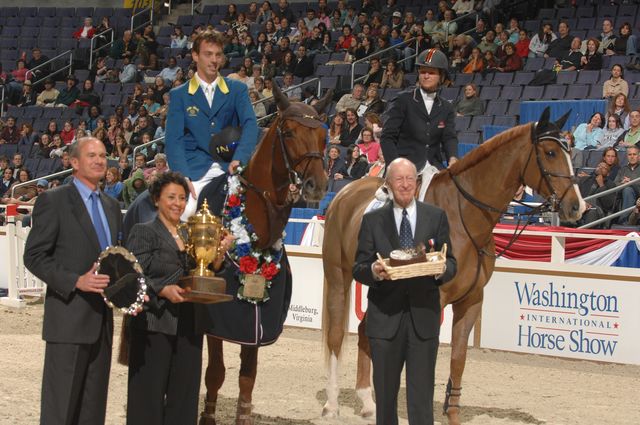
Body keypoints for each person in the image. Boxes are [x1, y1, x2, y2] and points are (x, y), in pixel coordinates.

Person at [23, 138, 122, 425]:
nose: (100, 160)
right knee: (60, 410)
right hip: (67, 320)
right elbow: (35, 256)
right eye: (91, 155)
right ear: (74, 162)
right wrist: (75, 281)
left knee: (92, 411)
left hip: (102, 322)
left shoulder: (112, 207)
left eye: (103, 155)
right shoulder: (53, 200)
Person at [353, 158, 456, 425]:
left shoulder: (436, 217)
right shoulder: (372, 220)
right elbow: (359, 266)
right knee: (385, 398)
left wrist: (440, 270)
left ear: (418, 183)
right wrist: (374, 271)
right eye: (399, 179)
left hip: (423, 320)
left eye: (411, 179)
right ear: (388, 184)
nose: (406, 184)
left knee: (422, 398)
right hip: (384, 321)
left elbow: (452, 263)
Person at [125, 172, 234, 424]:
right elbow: (133, 275)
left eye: (182, 198)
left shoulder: (191, 233)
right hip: (154, 323)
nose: (178, 203)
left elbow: (205, 271)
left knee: (184, 399)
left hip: (189, 326)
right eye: (171, 197)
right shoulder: (143, 231)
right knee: (147, 397)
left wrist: (218, 252)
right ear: (156, 200)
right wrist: (162, 289)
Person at [165, 30, 258, 220]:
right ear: (195, 55)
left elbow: (250, 124)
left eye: (218, 55)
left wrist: (239, 159)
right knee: (187, 212)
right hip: (194, 170)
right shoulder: (179, 95)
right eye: (208, 54)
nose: (214, 60)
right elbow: (174, 140)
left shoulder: (237, 90)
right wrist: (182, 176)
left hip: (229, 167)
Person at [381, 48, 458, 172]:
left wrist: (453, 158)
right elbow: (387, 137)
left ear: (441, 76)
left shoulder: (446, 107)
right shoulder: (403, 100)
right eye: (423, 72)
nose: (426, 76)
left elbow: (449, 137)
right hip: (404, 166)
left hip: (433, 166)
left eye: (431, 73)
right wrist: (395, 166)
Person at [615, 146, 640, 224]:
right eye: (630, 155)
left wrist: (631, 183)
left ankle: (624, 222)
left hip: (638, 194)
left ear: (639, 156)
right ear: (627, 156)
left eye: (634, 154)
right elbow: (614, 185)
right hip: (622, 194)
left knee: (628, 189)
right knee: (627, 190)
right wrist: (622, 183)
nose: (632, 157)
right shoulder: (622, 169)